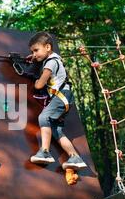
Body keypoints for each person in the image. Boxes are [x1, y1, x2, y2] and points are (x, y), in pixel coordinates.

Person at [28, 31, 87, 169]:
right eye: (32, 51)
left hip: (61, 96)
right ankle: (75, 157)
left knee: (44, 117)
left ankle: (45, 152)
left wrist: (36, 82)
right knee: (55, 130)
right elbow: (39, 58)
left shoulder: (51, 62)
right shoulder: (54, 59)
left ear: (48, 47)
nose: (34, 54)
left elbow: (40, 84)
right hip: (64, 98)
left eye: (36, 50)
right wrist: (35, 57)